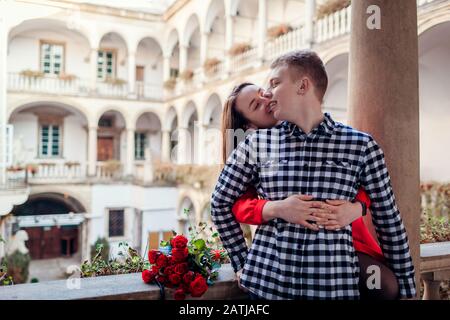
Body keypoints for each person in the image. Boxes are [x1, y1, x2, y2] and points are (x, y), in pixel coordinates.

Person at [210, 50, 416, 300]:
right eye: (259, 100)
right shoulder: (256, 144)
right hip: (266, 289)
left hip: (333, 287)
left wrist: (406, 288)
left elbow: (388, 217)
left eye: (274, 84)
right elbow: (221, 202)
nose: (267, 94)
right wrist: (243, 263)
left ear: (303, 86)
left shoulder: (361, 146)